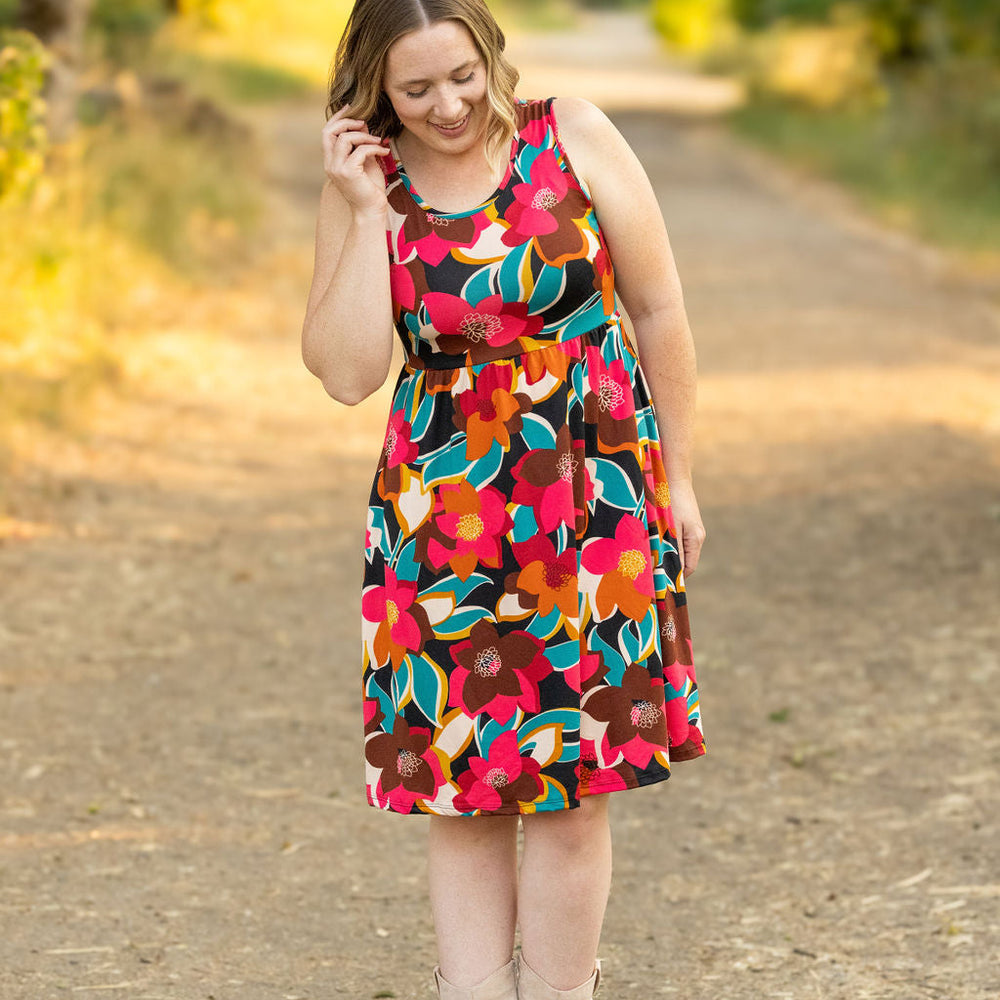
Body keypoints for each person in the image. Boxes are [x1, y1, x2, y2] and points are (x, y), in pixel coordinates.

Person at [301, 1, 707, 997]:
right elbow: (348, 372)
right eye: (415, 89)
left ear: (490, 54)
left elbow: (656, 308)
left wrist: (679, 479)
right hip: (444, 521)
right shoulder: (372, 185)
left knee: (577, 784)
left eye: (461, 76)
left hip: (592, 503)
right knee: (463, 787)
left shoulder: (571, 132)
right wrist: (359, 212)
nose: (446, 105)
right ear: (374, 93)